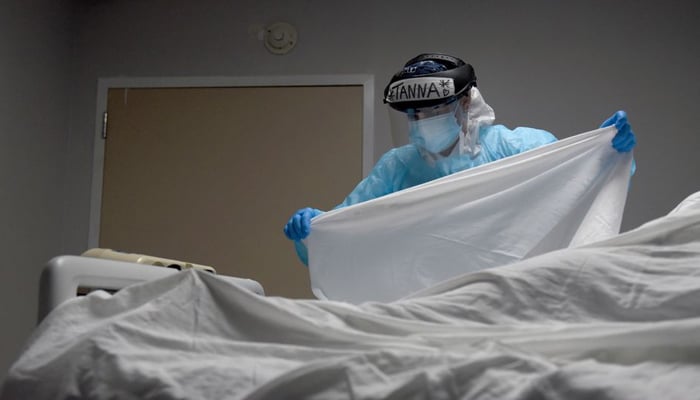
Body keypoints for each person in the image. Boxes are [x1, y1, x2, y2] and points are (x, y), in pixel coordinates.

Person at [284, 53, 636, 265]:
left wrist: (607, 152)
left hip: (510, 285)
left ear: (465, 105)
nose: (421, 123)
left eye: (433, 110)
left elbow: (579, 186)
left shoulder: (517, 147)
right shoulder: (397, 167)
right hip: (426, 296)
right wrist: (313, 231)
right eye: (412, 115)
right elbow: (347, 230)